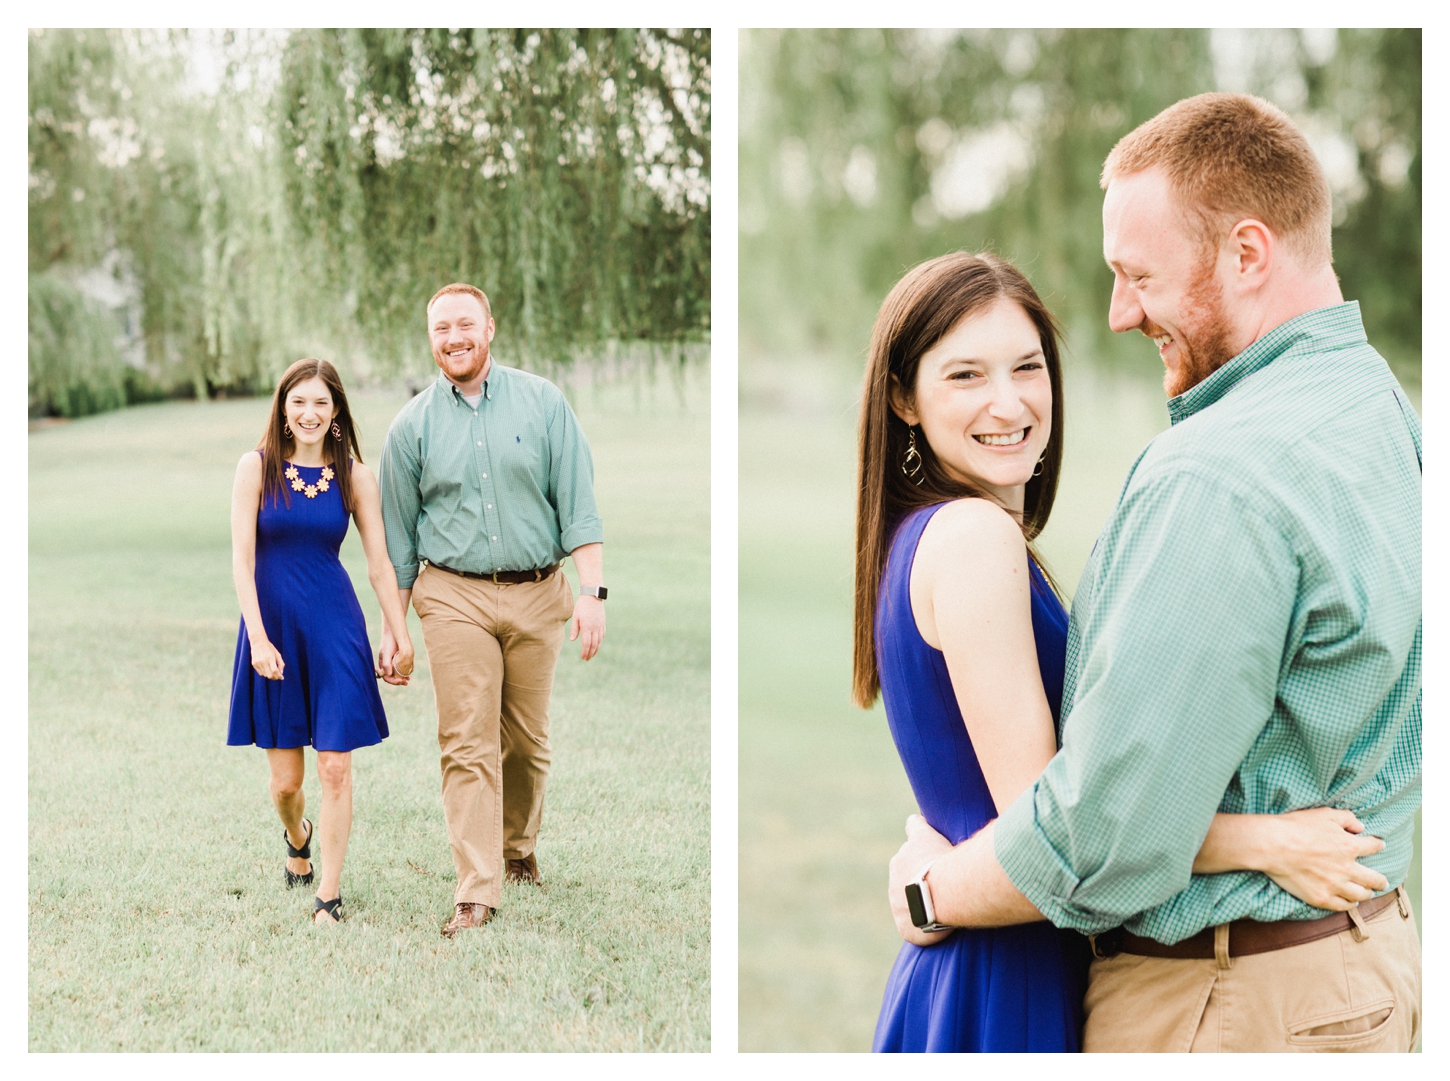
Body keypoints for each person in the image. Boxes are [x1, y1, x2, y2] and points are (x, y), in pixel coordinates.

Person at [885, 93, 1421, 1053]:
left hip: (1233, 1000)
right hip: (1358, 967)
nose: (1119, 310)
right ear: (906, 399)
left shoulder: (1219, 472)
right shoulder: (1380, 412)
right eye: (964, 373)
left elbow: (1104, 834)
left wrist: (928, 887)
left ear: (1248, 254)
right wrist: (1262, 838)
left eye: (1138, 275)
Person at [377, 282, 606, 938]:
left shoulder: (543, 403)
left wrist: (591, 593)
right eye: (441, 328)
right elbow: (397, 544)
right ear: (431, 338)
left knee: (528, 745)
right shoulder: (411, 426)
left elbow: (578, 506)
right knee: (466, 738)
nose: (453, 338)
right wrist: (396, 631)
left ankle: (516, 844)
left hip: (539, 591)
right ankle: (477, 889)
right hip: (453, 595)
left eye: (465, 325)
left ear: (490, 328)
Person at [229, 358, 416, 925]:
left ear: (336, 412)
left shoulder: (356, 475)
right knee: (286, 783)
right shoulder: (255, 468)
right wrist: (258, 638)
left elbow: (380, 564)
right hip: (274, 633)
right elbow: (241, 561)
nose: (309, 413)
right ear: (283, 408)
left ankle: (328, 898)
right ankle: (297, 836)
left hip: (336, 629)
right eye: (299, 402)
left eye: (321, 403)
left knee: (334, 767)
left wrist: (400, 635)